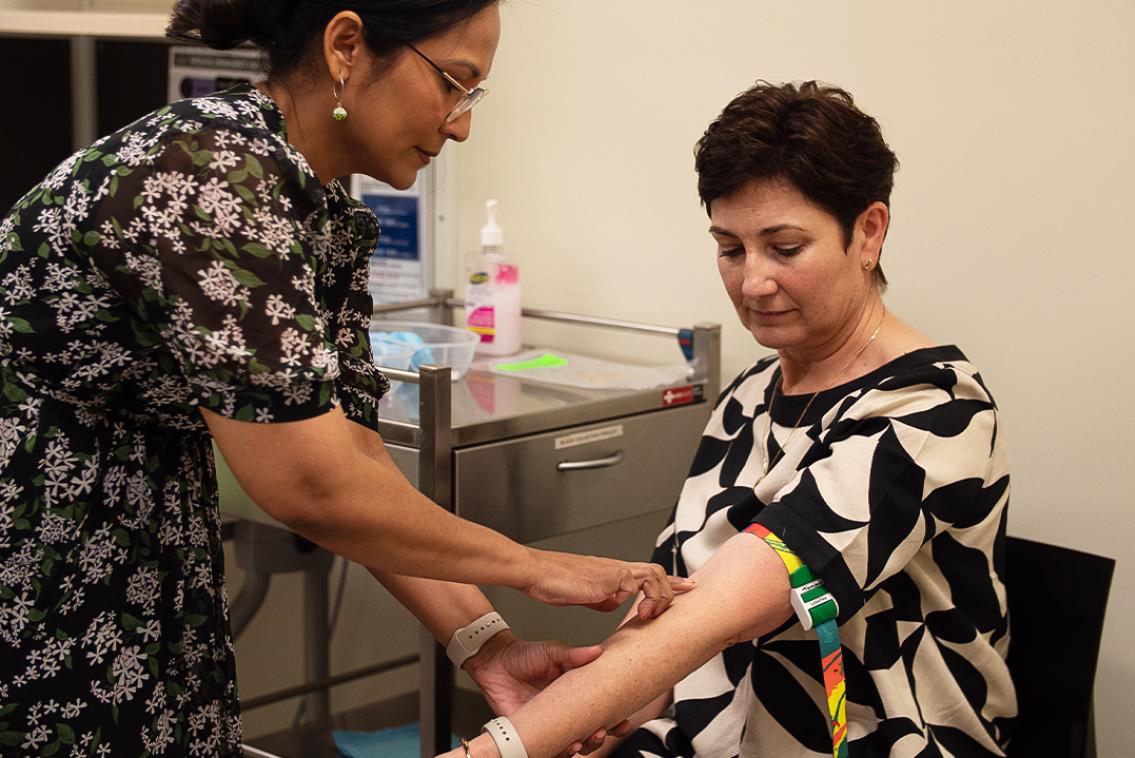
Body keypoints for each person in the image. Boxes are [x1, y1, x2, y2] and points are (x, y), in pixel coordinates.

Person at [0, 2, 691, 755]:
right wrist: (535, 568)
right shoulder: (210, 176)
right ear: (346, 47)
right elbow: (313, 485)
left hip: (144, 551)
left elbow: (354, 458)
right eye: (455, 85)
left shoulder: (314, 205)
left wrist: (487, 647)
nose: (461, 125)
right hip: (43, 544)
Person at [438, 81, 1015, 758]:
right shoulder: (750, 394)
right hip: (712, 734)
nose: (752, 283)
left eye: (785, 247)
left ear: (869, 231)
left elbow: (714, 614)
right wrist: (607, 718)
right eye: (731, 248)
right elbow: (669, 601)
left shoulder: (933, 411)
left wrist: (499, 749)